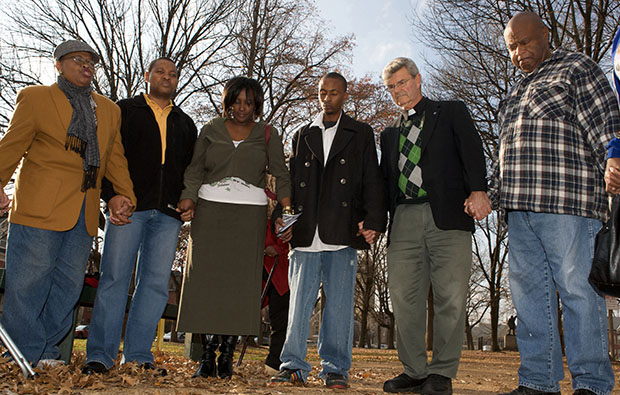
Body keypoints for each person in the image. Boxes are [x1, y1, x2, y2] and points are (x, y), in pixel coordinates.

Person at [490, 12, 618, 395]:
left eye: (525, 42)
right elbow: (504, 151)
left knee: (578, 292)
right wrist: (493, 195)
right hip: (519, 209)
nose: (519, 52)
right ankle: (538, 381)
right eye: (512, 46)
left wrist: (615, 156)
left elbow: (606, 117)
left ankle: (592, 383)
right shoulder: (513, 92)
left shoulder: (576, 67)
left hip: (569, 203)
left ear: (546, 35)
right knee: (529, 297)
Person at [0, 40, 136, 367]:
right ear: (58, 64)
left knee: (68, 286)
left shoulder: (108, 109)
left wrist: (125, 194)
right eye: (78, 60)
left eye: (91, 62)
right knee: (28, 283)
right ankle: (23, 353)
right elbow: (11, 145)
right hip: (38, 205)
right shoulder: (35, 99)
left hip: (84, 212)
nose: (87, 66)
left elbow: (114, 158)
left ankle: (46, 352)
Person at [269, 72, 386, 389]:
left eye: (334, 93)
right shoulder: (302, 134)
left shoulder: (360, 133)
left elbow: (372, 180)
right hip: (306, 233)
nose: (328, 98)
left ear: (344, 95)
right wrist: (282, 216)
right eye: (323, 92)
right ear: (318, 94)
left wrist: (374, 220)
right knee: (298, 306)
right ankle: (293, 365)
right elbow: (290, 183)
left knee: (338, 307)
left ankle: (335, 369)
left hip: (341, 231)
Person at [379, 57, 489, 395]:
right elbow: (384, 183)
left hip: (448, 216)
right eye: (392, 87)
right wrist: (372, 221)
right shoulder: (389, 133)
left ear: (418, 79)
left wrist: (479, 190)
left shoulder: (451, 111)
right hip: (404, 220)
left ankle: (441, 373)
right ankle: (413, 371)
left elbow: (472, 151)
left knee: (451, 296)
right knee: (403, 296)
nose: (398, 90)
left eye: (402, 82)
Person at [81, 57, 197, 375]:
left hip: (168, 215)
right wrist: (111, 195)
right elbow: (103, 154)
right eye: (160, 71)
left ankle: (138, 355)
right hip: (128, 209)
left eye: (173, 74)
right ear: (147, 75)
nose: (167, 77)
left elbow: (192, 169)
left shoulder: (185, 123)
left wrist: (189, 198)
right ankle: (100, 356)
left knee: (156, 285)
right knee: (115, 278)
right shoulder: (125, 110)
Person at [176, 76, 291, 379]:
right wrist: (188, 198)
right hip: (210, 212)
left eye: (249, 102)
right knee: (206, 282)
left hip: (249, 216)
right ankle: (207, 356)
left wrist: (286, 210)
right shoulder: (210, 130)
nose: (242, 108)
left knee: (240, 285)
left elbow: (281, 174)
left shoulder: (268, 134)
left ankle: (227, 354)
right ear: (227, 102)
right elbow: (195, 168)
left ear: (257, 105)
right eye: (236, 101)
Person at [262, 217, 290, 375]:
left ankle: (275, 361)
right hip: (258, 264)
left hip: (281, 269)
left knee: (280, 319)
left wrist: (278, 250)